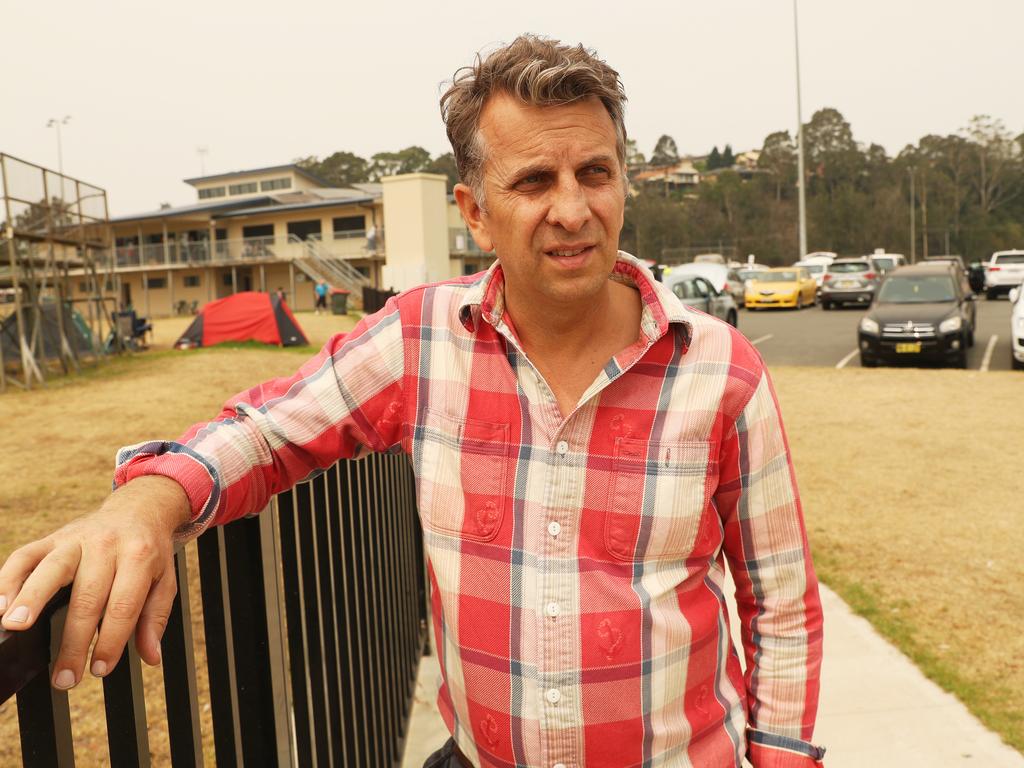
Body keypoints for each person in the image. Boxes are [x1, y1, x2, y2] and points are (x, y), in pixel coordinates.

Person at [0, 36, 824, 768]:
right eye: (534, 180)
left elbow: (781, 605)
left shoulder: (723, 371)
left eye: (595, 172)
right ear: (475, 213)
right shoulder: (420, 342)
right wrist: (148, 503)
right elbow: (268, 434)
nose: (573, 209)